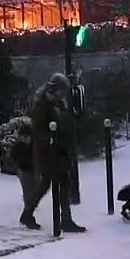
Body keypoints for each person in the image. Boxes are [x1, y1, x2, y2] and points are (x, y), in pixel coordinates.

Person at [25, 73, 86, 233]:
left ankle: (28, 213)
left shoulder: (57, 103)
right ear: (55, 89)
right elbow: (38, 129)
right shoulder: (43, 104)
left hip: (58, 150)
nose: (64, 93)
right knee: (60, 183)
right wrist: (52, 139)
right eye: (62, 90)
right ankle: (64, 220)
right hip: (50, 151)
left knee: (50, 184)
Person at [9, 121, 39, 229]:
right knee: (29, 195)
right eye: (23, 137)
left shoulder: (34, 146)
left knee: (36, 194)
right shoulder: (18, 147)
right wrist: (18, 165)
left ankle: (25, 216)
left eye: (27, 137)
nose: (25, 139)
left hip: (34, 171)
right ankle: (29, 218)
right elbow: (13, 157)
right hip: (24, 171)